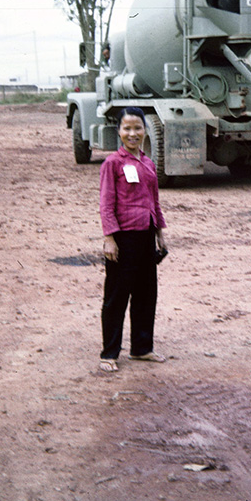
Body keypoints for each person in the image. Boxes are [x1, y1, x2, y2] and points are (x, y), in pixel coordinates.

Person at [98, 107, 168, 373]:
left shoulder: (148, 163)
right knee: (116, 296)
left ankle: (141, 348)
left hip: (146, 235)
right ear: (119, 131)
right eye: (127, 128)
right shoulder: (112, 163)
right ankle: (109, 353)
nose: (132, 133)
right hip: (123, 238)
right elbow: (106, 204)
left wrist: (159, 232)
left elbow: (154, 200)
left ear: (145, 130)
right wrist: (109, 238)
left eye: (137, 128)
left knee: (146, 295)